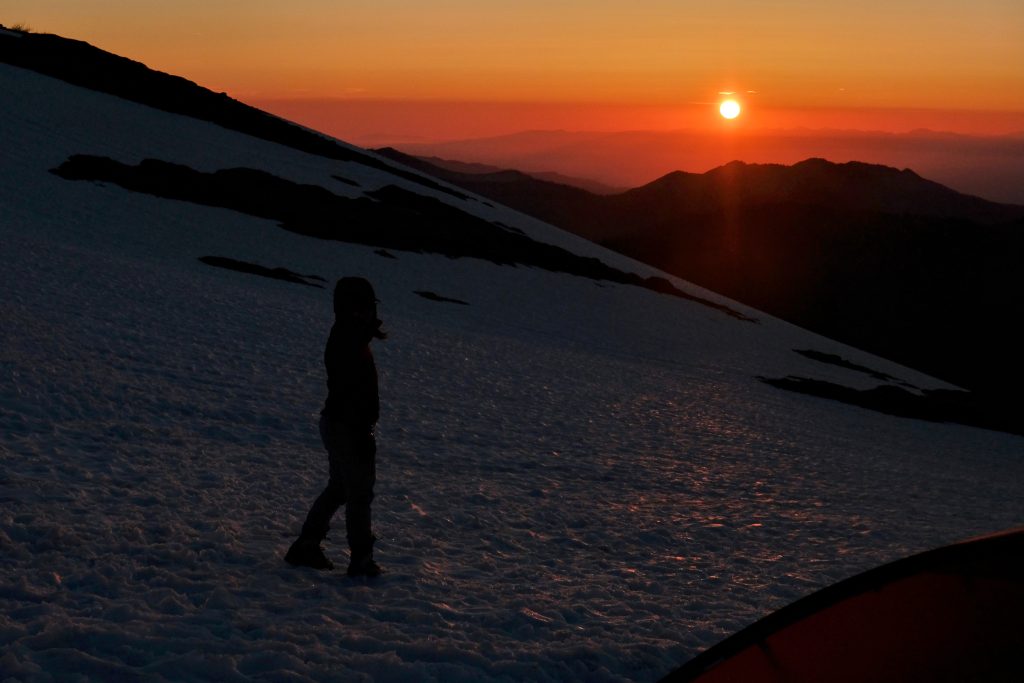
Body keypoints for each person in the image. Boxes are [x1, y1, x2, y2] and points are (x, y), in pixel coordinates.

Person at [285, 277, 385, 576]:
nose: (368, 313)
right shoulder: (348, 339)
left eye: (369, 307)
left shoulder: (350, 336)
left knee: (341, 488)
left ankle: (307, 544)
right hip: (347, 427)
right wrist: (360, 432)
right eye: (362, 307)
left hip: (339, 423)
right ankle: (361, 559)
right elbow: (351, 390)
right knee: (358, 493)